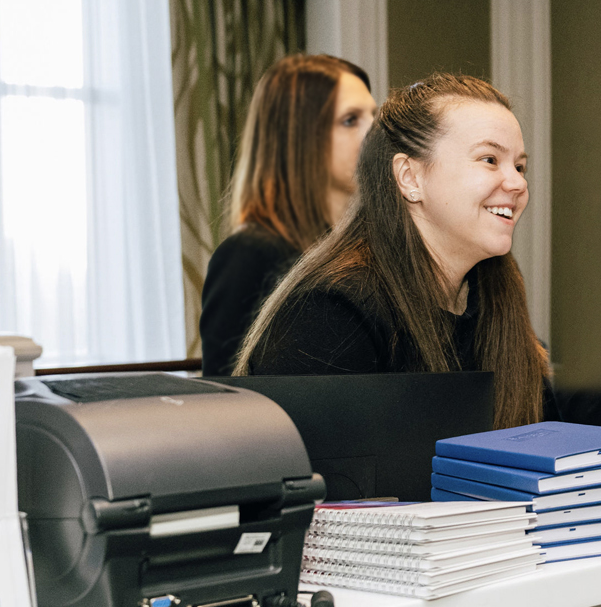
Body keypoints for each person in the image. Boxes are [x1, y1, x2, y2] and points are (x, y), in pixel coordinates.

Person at [235, 74, 558, 428]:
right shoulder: (329, 311)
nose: (517, 183)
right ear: (409, 178)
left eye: (520, 166)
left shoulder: (497, 292)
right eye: (490, 160)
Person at [200, 54, 376, 376]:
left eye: (373, 117)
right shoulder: (247, 256)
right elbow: (224, 397)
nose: (374, 134)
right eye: (350, 120)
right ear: (299, 136)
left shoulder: (366, 247)